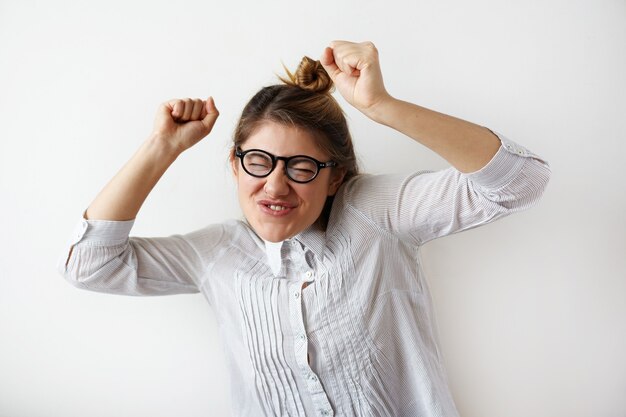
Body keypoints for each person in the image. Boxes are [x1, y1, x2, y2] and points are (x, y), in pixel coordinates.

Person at [58, 40, 551, 416]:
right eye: (258, 161)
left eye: (300, 167)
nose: (274, 186)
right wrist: (161, 147)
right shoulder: (215, 253)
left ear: (334, 175)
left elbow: (520, 181)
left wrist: (381, 106)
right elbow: (90, 267)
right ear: (235, 167)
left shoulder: (374, 213)